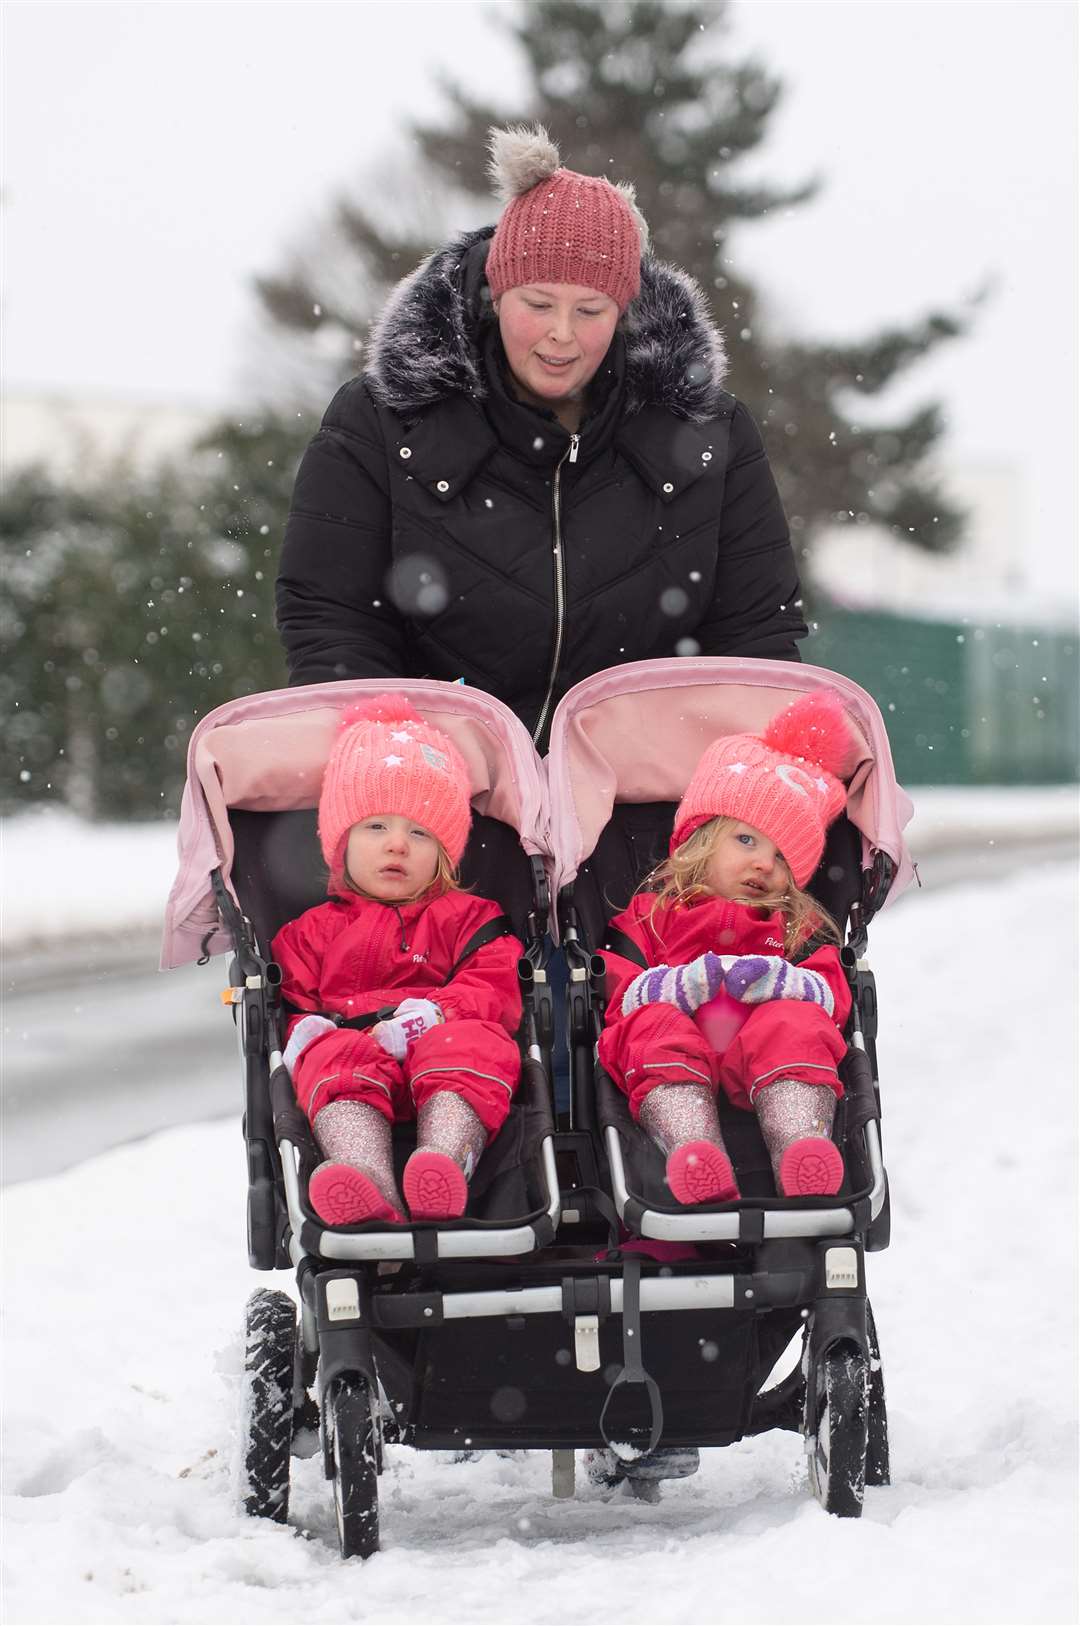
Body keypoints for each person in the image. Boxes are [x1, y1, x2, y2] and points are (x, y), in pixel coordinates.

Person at [276, 124, 808, 751]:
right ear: (496, 294)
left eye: (590, 311)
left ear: (625, 310)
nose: (561, 334)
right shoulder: (380, 421)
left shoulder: (710, 435)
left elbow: (756, 640)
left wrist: (732, 791)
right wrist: (393, 766)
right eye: (537, 303)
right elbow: (332, 620)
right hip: (439, 805)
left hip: (642, 805)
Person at [271, 695, 523, 1226]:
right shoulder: (308, 934)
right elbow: (292, 1008)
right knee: (328, 1053)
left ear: (445, 852)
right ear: (340, 843)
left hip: (444, 1051)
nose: (397, 847)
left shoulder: (471, 917)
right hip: (355, 1056)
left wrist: (436, 1014)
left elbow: (496, 985)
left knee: (478, 1041)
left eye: (419, 832)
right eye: (376, 828)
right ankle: (367, 1182)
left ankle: (445, 1163)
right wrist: (310, 1033)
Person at [598, 690, 854, 1202]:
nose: (764, 865)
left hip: (761, 1051)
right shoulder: (653, 914)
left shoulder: (793, 929)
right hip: (677, 1047)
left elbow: (834, 997)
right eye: (746, 840)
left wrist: (788, 982)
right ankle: (693, 1150)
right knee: (648, 1028)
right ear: (700, 839)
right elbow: (617, 991)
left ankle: (800, 1146)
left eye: (783, 857)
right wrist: (677, 985)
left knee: (799, 1026)